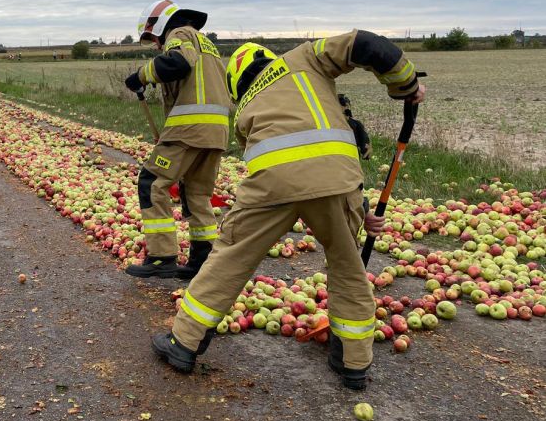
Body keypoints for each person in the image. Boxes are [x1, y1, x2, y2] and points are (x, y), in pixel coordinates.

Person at [152, 31, 425, 390]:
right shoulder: (305, 58)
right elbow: (364, 44)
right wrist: (404, 84)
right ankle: (353, 361)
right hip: (337, 181)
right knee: (347, 264)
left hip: (272, 185)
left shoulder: (246, 106)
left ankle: (185, 342)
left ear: (237, 85)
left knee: (231, 257)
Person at [124, 0, 232, 280]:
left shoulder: (180, 34)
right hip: (216, 130)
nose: (157, 45)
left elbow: (178, 63)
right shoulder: (205, 42)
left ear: (159, 24)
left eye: (153, 38)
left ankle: (161, 257)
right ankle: (202, 258)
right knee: (196, 193)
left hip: (189, 128)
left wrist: (141, 76)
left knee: (152, 182)